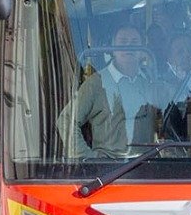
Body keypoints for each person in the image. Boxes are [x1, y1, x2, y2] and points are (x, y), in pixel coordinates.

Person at [58, 24, 166, 157]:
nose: (128, 47)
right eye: (122, 42)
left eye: (134, 43)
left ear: (143, 51)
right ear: (113, 49)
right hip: (110, 170)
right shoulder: (96, 83)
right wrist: (88, 157)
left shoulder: (150, 81)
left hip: (148, 166)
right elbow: (66, 120)